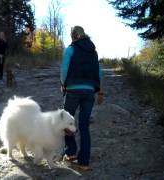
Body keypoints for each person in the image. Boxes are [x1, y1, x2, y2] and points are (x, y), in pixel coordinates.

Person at [60, 26, 104, 170]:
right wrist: (100, 92)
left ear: (73, 37)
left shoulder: (71, 49)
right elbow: (99, 73)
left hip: (72, 90)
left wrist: (63, 84)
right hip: (89, 91)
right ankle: (84, 162)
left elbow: (64, 70)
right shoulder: (93, 52)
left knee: (67, 122)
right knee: (84, 125)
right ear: (84, 35)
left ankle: (71, 152)